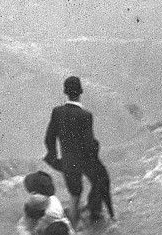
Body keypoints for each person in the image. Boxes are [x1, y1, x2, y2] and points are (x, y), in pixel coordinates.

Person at [44, 76, 113, 226]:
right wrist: (96, 148)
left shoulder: (57, 112)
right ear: (81, 91)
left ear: (65, 92)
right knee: (100, 180)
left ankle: (72, 229)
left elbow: (49, 138)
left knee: (74, 196)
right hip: (85, 161)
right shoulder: (85, 115)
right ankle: (96, 211)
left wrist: (54, 158)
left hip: (68, 162)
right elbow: (89, 145)